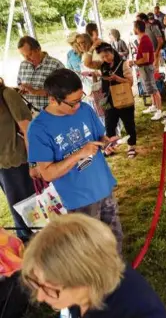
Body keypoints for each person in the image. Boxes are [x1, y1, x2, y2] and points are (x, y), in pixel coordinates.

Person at [27, 69, 124, 251]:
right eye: (73, 103)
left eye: (80, 99)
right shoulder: (38, 129)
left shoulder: (85, 109)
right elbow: (47, 173)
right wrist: (79, 153)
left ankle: (118, 273)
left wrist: (106, 143)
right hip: (78, 200)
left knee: (114, 236)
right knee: (91, 248)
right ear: (53, 99)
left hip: (103, 186)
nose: (78, 106)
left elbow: (99, 137)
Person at [21, 213, 166, 317]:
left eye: (48, 288)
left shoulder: (138, 310)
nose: (40, 297)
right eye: (36, 283)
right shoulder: (87, 292)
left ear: (83, 279)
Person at [0, 78, 37, 242]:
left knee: (27, 209)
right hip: (2, 164)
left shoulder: (7, 94)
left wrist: (34, 162)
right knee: (17, 207)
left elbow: (27, 129)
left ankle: (35, 244)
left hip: (16, 160)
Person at [95, 43, 137, 159]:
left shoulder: (123, 64)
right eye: (102, 57)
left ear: (112, 51)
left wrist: (117, 78)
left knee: (128, 123)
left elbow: (130, 82)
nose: (105, 59)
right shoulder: (103, 66)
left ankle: (131, 146)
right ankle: (110, 146)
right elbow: (88, 62)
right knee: (109, 124)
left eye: (107, 55)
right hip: (106, 99)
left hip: (122, 98)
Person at [17, 36, 65, 110]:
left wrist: (35, 92)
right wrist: (21, 88)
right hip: (29, 113)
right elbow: (19, 83)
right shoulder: (23, 64)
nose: (27, 59)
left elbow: (64, 91)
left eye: (29, 54)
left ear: (38, 49)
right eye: (23, 55)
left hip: (50, 112)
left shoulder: (56, 65)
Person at [133, 20, 163, 121]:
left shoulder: (144, 40)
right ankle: (154, 105)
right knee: (149, 88)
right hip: (144, 68)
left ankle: (159, 111)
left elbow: (146, 58)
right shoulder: (143, 39)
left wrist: (134, 62)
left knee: (154, 89)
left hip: (146, 67)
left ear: (137, 28)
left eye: (134, 27)